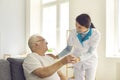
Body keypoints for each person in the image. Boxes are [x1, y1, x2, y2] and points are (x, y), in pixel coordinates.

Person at [49, 13, 101, 80]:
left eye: (80, 27)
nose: (76, 29)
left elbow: (90, 52)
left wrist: (79, 58)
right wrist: (57, 56)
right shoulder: (73, 33)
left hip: (90, 60)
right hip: (77, 60)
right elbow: (68, 49)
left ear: (87, 27)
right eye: (76, 25)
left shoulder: (96, 34)